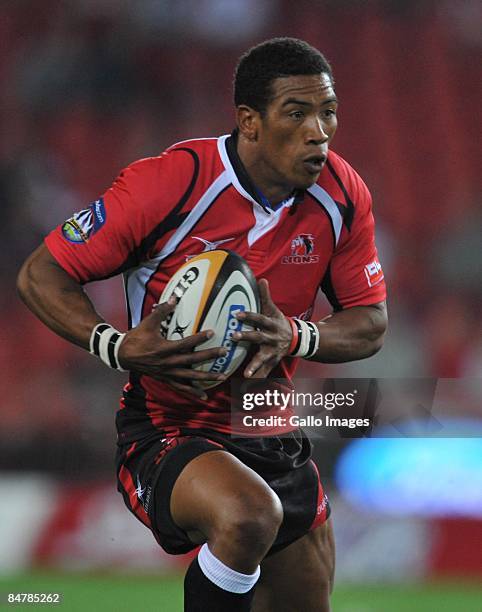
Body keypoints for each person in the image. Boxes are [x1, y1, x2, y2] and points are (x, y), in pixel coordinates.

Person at [17, 37, 387, 612]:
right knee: (247, 513)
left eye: (329, 111)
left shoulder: (341, 195)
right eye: (297, 113)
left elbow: (370, 323)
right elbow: (41, 275)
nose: (319, 130)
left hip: (270, 425)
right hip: (167, 425)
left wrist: (297, 335)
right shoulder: (170, 183)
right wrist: (113, 344)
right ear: (250, 122)